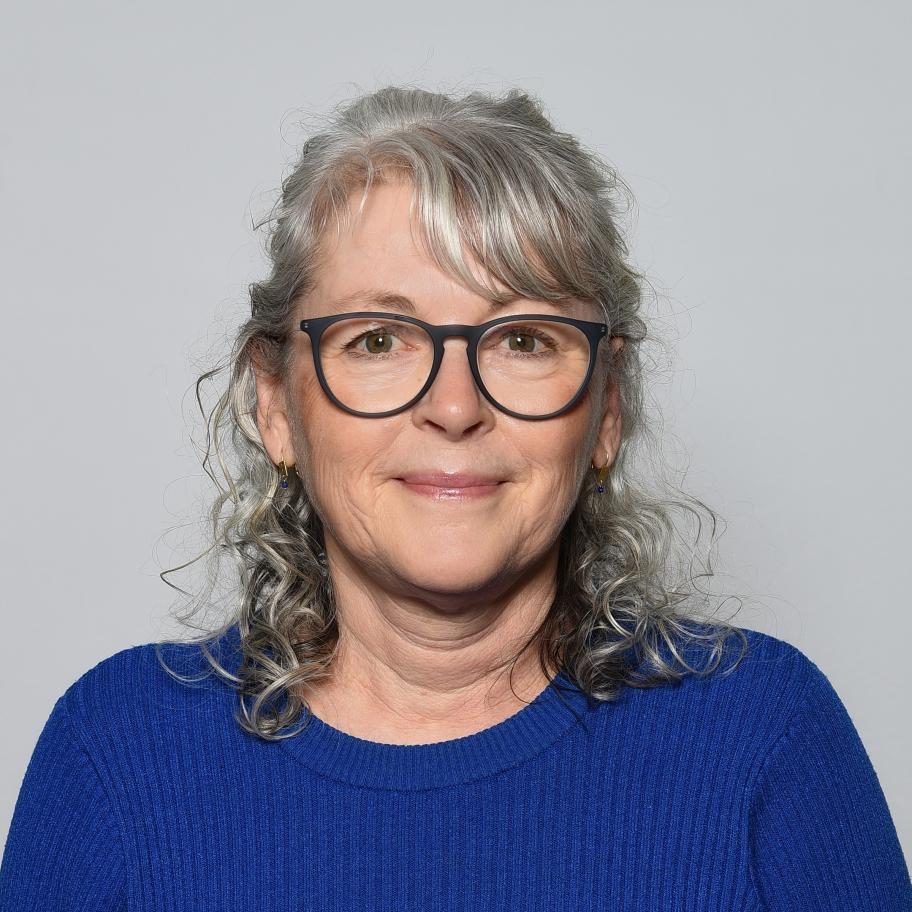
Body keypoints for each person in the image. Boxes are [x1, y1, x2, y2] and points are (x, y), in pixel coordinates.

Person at [1, 84, 909, 910]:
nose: (454, 407)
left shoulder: (764, 736)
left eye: (523, 339)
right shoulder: (115, 752)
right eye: (377, 340)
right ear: (275, 406)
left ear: (606, 409)